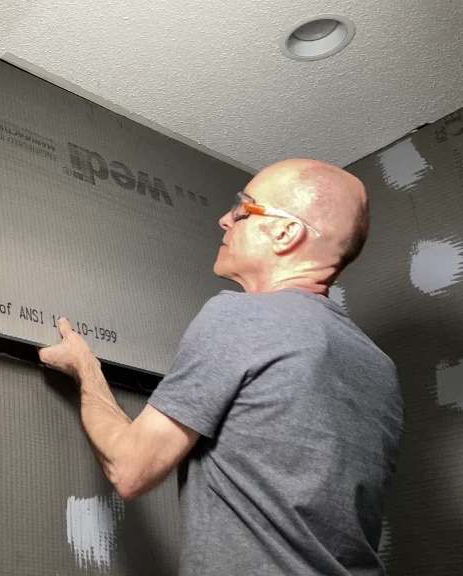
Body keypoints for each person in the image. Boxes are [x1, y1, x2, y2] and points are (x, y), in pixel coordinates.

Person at [39, 158, 404, 575]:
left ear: (286, 233)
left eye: (244, 208)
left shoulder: (240, 316)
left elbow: (130, 468)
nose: (225, 219)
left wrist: (85, 368)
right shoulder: (381, 369)